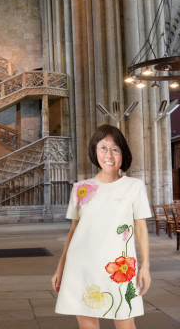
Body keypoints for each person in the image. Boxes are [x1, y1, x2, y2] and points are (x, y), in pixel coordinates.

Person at [52, 124, 152, 329]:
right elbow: (73, 231)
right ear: (94, 151)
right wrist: (60, 267)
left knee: (125, 321)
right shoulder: (81, 189)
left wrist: (146, 266)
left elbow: (141, 228)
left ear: (123, 153)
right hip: (81, 265)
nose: (109, 154)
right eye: (103, 147)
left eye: (115, 149)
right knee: (87, 324)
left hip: (120, 267)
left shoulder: (134, 186)